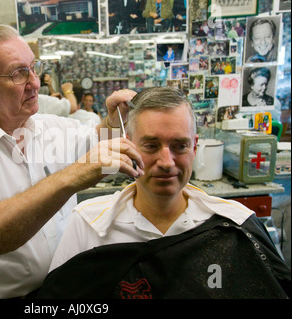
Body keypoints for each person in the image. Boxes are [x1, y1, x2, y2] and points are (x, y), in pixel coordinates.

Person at [0, 24, 143, 299]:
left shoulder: (52, 128)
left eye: (34, 68)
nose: (35, 83)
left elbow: (99, 143)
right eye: (19, 74)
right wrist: (70, 178)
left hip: (62, 292)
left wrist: (115, 123)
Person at [38, 87, 290, 299]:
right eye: (151, 145)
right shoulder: (89, 225)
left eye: (179, 146)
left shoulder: (234, 225)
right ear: (128, 147)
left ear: (195, 147)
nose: (166, 161)